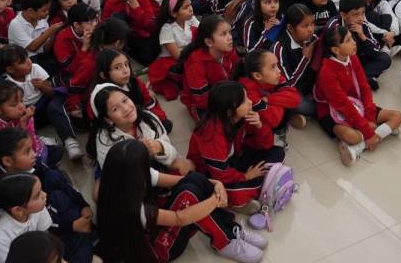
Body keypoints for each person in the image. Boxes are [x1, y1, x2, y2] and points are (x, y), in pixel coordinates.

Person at [95, 139, 265, 263]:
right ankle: (224, 242)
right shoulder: (129, 206)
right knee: (189, 197)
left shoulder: (120, 178)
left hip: (152, 228)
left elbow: (181, 179)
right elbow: (179, 219)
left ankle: (230, 229)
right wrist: (216, 199)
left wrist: (216, 184)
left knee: (194, 180)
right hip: (156, 251)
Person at [187, 80, 285, 213]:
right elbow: (220, 174)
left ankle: (259, 186)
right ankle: (246, 195)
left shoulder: (242, 117)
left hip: (233, 161)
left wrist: (259, 126)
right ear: (229, 111)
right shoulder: (212, 135)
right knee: (232, 193)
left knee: (278, 152)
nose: (250, 102)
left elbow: (266, 145)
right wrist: (246, 176)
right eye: (244, 101)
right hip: (211, 174)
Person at [315, 26, 401, 166]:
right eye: (348, 40)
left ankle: (359, 147)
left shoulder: (352, 57)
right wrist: (369, 131)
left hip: (357, 105)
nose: (354, 42)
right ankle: (375, 135)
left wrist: (370, 119)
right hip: (332, 111)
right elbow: (343, 105)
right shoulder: (327, 72)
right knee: (352, 136)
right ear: (335, 50)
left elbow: (364, 88)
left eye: (352, 37)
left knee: (397, 116)